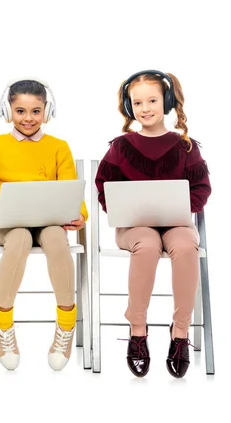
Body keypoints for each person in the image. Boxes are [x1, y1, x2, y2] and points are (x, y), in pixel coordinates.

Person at [95, 70, 211, 379]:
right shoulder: (120, 147)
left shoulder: (185, 147)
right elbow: (104, 187)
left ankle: (181, 333)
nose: (145, 108)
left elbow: (201, 189)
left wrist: (180, 207)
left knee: (186, 245)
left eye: (152, 100)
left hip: (176, 224)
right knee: (147, 245)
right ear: (129, 106)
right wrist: (120, 210)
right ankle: (137, 330)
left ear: (167, 102)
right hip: (134, 227)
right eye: (138, 102)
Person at [0, 78, 88, 371]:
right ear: (8, 110)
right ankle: (4, 324)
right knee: (20, 237)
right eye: (20, 111)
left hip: (48, 221)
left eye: (36, 111)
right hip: (9, 224)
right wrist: (3, 208)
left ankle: (66, 326)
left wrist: (80, 213)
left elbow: (72, 190)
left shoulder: (59, 147)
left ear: (47, 111)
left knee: (57, 239)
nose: (28, 118)